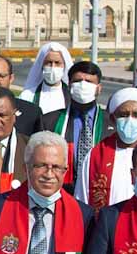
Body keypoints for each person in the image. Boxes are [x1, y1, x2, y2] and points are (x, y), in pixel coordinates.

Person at [36, 61, 109, 191]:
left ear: (99, 88)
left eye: (89, 81)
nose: (83, 85)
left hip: (99, 191)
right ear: (69, 85)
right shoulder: (49, 121)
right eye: (78, 80)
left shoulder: (111, 123)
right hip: (61, 191)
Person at [18, 41, 72, 116]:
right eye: (49, 62)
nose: (53, 67)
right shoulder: (27, 96)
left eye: (57, 63)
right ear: (41, 65)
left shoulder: (72, 96)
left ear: (64, 66)